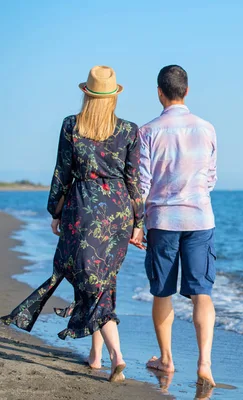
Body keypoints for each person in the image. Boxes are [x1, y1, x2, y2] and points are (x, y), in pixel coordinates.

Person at [0, 65, 145, 383]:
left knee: (92, 281)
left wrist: (55, 211)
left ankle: (116, 357)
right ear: (113, 97)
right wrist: (138, 222)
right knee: (99, 279)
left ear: (86, 94)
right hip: (118, 212)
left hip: (83, 210)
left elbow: (61, 173)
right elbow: (134, 180)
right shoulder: (129, 130)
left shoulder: (72, 125)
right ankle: (95, 356)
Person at [133, 65, 218, 387]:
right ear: (187, 90)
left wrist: (136, 224)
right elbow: (211, 178)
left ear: (159, 92)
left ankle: (166, 359)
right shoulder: (207, 128)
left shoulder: (149, 131)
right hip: (199, 218)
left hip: (163, 221)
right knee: (202, 292)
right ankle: (205, 364)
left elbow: (141, 184)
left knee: (162, 291)